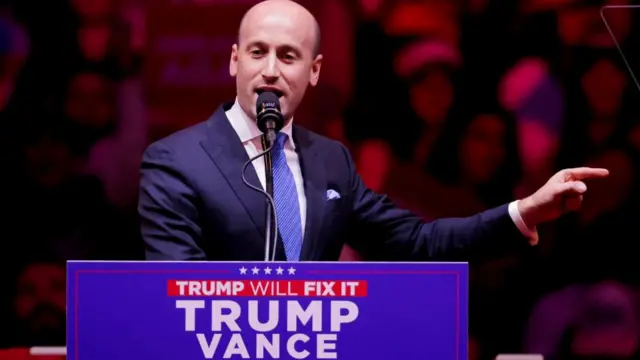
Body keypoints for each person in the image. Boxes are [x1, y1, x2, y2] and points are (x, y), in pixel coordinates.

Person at [138, 0, 608, 261]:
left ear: (315, 71)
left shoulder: (331, 161)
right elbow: (177, 290)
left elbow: (419, 243)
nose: (270, 71)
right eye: (257, 52)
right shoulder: (175, 160)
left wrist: (522, 211)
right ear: (234, 60)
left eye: (288, 56)